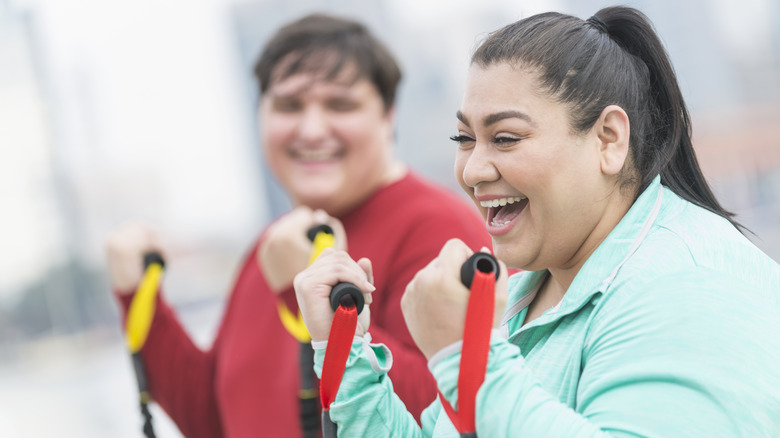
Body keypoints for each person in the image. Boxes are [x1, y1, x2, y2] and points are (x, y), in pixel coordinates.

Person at [293, 6, 780, 437]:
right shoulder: (525, 291)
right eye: (464, 139)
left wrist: (466, 356)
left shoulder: (685, 285)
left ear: (608, 139)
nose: (473, 170)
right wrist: (344, 347)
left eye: (504, 138)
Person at [105, 13, 491, 438]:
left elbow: (451, 412)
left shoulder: (438, 229)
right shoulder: (271, 245)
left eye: (340, 105)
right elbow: (214, 419)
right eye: (289, 105)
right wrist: (139, 297)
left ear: (388, 116)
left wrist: (303, 296)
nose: (310, 129)